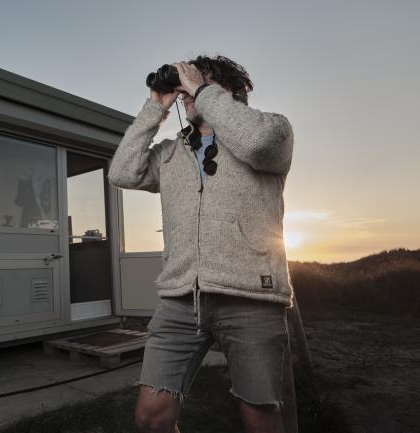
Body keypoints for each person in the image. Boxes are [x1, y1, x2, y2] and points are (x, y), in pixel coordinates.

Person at [107, 55, 295, 433]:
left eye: (200, 81)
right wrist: (155, 107)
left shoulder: (273, 130)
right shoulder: (172, 152)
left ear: (229, 91)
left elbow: (256, 144)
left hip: (250, 296)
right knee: (150, 416)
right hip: (181, 299)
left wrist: (201, 90)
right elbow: (123, 171)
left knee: (259, 418)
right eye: (186, 84)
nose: (187, 89)